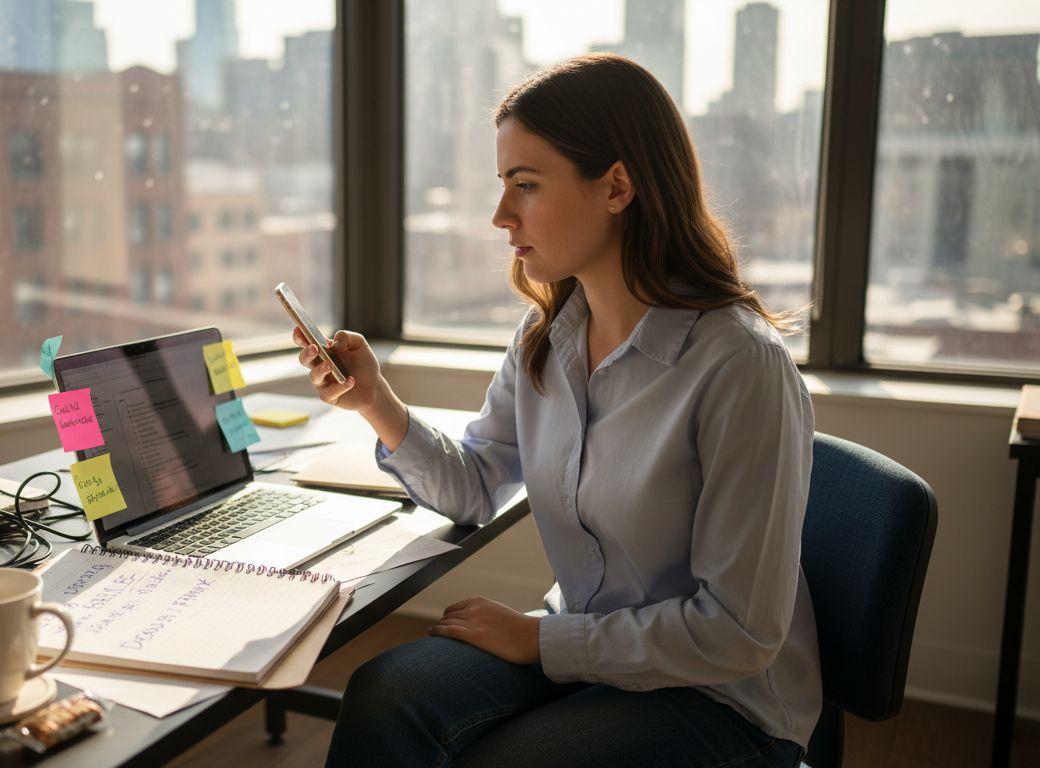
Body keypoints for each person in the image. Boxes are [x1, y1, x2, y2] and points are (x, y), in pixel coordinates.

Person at [294, 53, 820, 767]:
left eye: (526, 186)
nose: (500, 215)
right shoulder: (550, 337)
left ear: (617, 187)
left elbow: (739, 634)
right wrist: (375, 401)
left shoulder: (740, 366)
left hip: (724, 700)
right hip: (586, 646)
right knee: (385, 693)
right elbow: (477, 486)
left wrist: (541, 640)